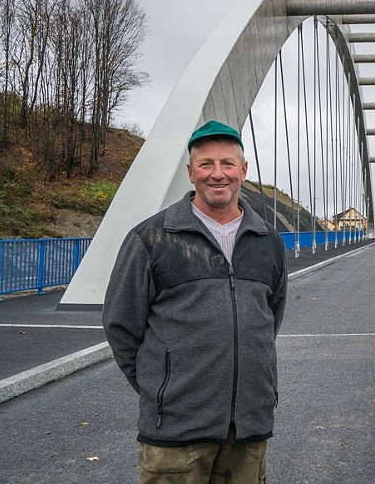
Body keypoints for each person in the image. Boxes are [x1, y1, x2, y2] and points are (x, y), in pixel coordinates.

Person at [103, 120, 287, 484]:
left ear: (243, 171)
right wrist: (163, 390)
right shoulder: (151, 239)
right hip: (175, 437)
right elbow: (121, 326)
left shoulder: (269, 241)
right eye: (206, 165)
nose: (217, 174)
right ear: (190, 172)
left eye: (227, 164)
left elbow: (270, 319)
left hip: (247, 431)